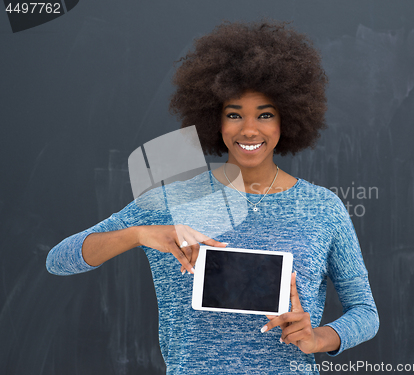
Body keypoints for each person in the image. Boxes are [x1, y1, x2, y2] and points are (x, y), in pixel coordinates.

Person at [46, 19, 379, 374]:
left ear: (288, 119)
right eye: (234, 114)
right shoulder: (170, 201)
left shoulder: (322, 208)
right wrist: (139, 234)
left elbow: (365, 312)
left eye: (265, 115)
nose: (249, 129)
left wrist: (318, 338)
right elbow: (59, 260)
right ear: (214, 121)